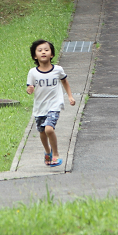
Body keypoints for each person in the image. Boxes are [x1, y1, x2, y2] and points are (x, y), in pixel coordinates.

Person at [26, 39, 76, 167]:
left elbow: (64, 81)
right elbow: (29, 88)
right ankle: (48, 151)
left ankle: (56, 154)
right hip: (40, 107)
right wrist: (29, 89)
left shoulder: (58, 70)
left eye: (46, 50)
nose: (43, 52)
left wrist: (70, 96)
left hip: (54, 105)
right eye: (40, 50)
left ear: (52, 54)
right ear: (35, 56)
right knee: (42, 132)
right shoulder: (32, 72)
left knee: (49, 129)